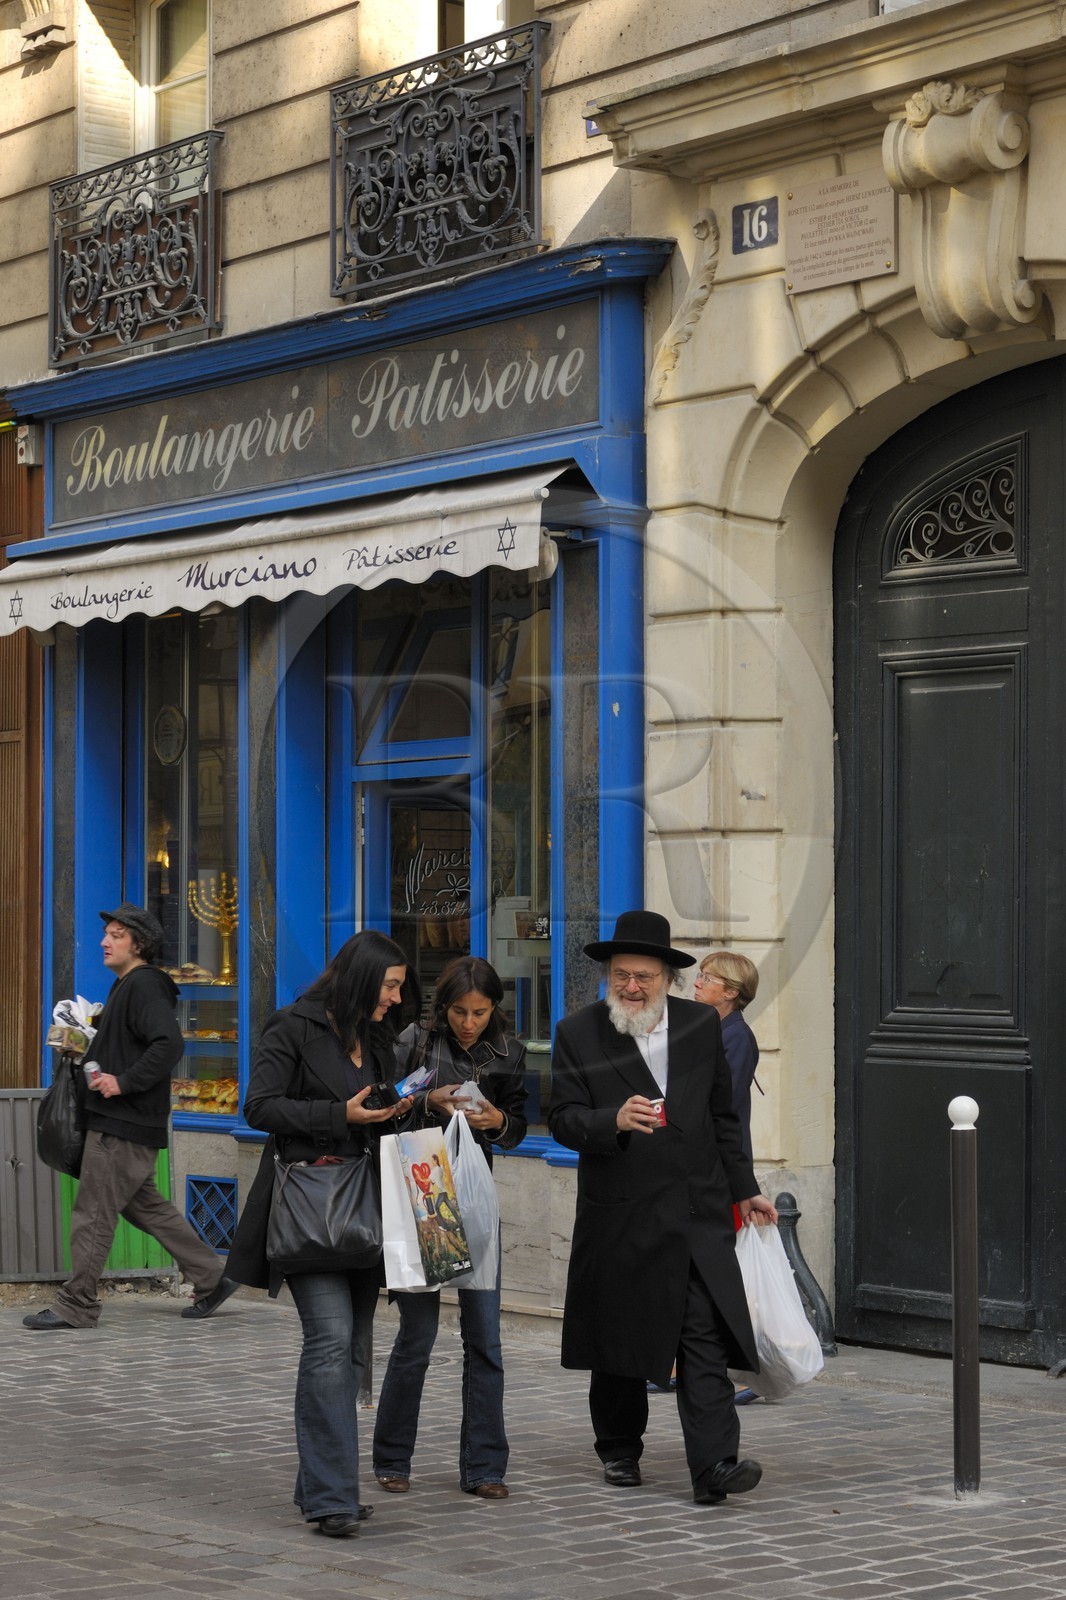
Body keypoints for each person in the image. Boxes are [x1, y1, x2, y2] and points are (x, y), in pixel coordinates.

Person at [547, 909, 777, 1506]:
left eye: (643, 976)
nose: (631, 986)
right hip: (621, 1213)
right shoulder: (578, 1032)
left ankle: (715, 1466)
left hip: (696, 1211)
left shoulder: (700, 1024)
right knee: (621, 1338)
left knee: (703, 1338)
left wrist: (745, 1187)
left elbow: (724, 1118)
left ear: (668, 979)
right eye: (621, 975)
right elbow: (563, 1118)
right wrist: (612, 1120)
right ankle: (620, 1448)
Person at [225, 930, 413, 1540]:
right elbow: (260, 1107)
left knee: (354, 1350)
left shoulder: (378, 1038)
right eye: (389, 986)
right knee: (330, 1343)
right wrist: (340, 1115)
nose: (395, 998)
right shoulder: (292, 1027)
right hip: (309, 1208)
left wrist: (401, 1107)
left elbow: (375, 1114)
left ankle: (318, 1484)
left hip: (366, 1211)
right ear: (361, 980)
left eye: (400, 988)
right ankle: (333, 1499)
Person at [23, 904, 239, 1332]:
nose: (105, 941)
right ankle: (212, 1277)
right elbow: (132, 1046)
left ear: (139, 944)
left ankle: (76, 1304)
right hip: (125, 1122)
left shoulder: (143, 985)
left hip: (121, 1124)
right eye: (106, 933)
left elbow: (169, 1045)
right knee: (147, 1209)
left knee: (92, 1213)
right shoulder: (127, 985)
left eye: (117, 935)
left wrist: (122, 1083)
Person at [373, 955, 527, 1500]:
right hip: (424, 1194)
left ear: (494, 1009)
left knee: (484, 1336)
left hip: (476, 1199)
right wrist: (424, 1099)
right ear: (444, 1007)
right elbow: (381, 1100)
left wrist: (498, 1120)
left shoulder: (509, 1052)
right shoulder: (415, 1041)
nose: (469, 1022)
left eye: (479, 1013)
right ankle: (393, 1458)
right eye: (460, 1012)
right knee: (417, 1335)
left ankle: (485, 1467)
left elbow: (519, 1125)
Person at [693, 950, 761, 1162]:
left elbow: (725, 1103)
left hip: (723, 1156)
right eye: (700, 975)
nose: (697, 983)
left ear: (730, 992)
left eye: (707, 978)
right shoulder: (714, 1030)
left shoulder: (736, 1036)